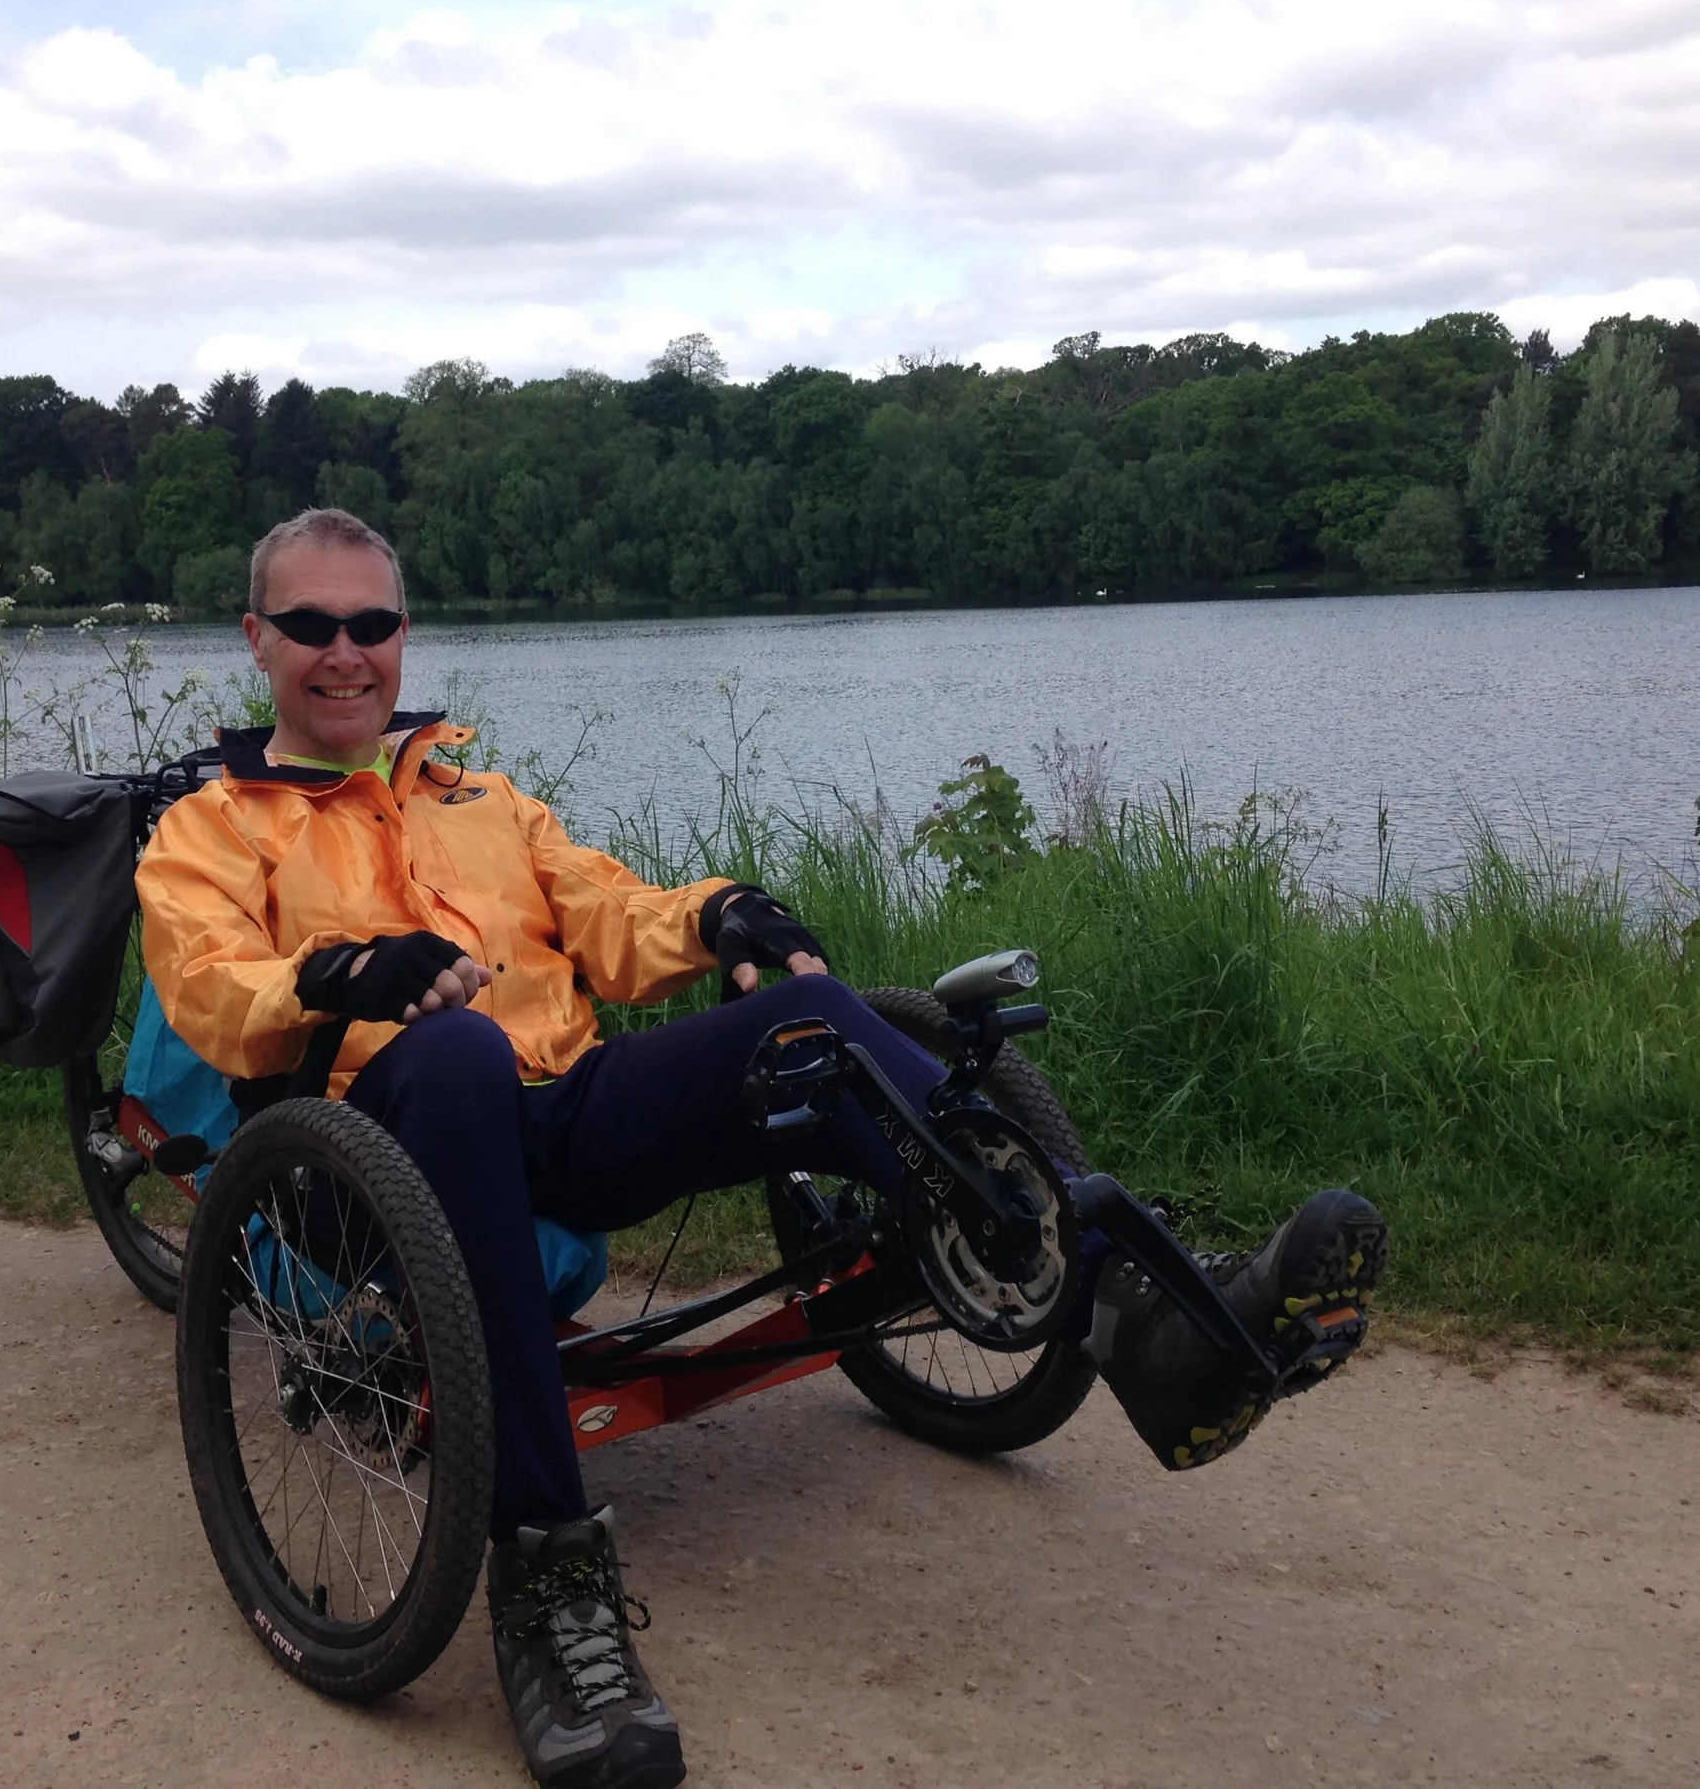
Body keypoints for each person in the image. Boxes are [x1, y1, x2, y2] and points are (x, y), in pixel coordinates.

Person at [137, 508, 1389, 1789]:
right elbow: (206, 988)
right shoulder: (213, 829)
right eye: (310, 626)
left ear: (404, 636)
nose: (344, 653)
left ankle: (1136, 1316)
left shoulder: (482, 797)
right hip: (359, 1159)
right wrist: (344, 971)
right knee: (455, 1053)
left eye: (372, 624)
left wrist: (720, 912)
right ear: (257, 640)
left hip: (553, 1115)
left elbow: (612, 919)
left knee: (802, 1017)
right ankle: (549, 1590)